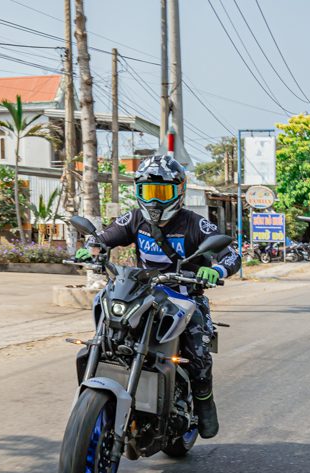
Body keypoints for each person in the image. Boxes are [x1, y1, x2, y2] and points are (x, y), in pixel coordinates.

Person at [74, 155, 240, 439]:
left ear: (179, 191)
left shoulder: (195, 224)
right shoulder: (135, 219)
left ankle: (204, 405)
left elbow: (231, 254)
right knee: (108, 326)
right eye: (148, 191)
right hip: (142, 293)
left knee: (198, 353)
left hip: (184, 297)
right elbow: (103, 237)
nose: (154, 200)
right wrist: (93, 248)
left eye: (162, 192)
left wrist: (216, 270)